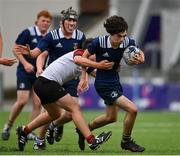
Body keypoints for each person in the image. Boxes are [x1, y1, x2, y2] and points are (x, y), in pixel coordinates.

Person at [15, 39, 113, 151]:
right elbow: (79, 60)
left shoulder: (86, 63)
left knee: (54, 114)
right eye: (97, 52)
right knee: (74, 108)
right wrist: (98, 66)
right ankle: (91, 141)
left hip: (42, 84)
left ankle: (24, 131)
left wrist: (112, 70)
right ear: (88, 51)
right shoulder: (79, 53)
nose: (99, 55)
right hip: (47, 82)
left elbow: (97, 74)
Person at [14, 7, 87, 150]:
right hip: (54, 78)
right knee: (50, 112)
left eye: (74, 21)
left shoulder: (80, 36)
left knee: (71, 112)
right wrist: (36, 62)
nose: (72, 23)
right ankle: (40, 140)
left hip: (72, 79)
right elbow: (39, 54)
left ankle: (54, 126)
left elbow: (84, 59)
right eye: (69, 20)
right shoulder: (51, 36)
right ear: (62, 22)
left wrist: (84, 77)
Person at [76, 15, 145, 152]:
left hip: (115, 81)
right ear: (111, 34)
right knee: (133, 109)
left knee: (111, 117)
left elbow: (138, 52)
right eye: (119, 36)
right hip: (103, 84)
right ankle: (126, 141)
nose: (122, 39)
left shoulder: (127, 42)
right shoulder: (98, 42)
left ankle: (84, 130)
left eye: (124, 35)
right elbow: (81, 58)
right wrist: (86, 75)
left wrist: (141, 57)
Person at [1, 10, 52, 141]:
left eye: (48, 21)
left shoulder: (49, 36)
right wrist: (25, 64)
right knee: (22, 100)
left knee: (37, 103)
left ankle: (28, 130)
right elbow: (15, 49)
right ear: (37, 21)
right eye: (43, 20)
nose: (45, 23)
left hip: (39, 74)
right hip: (24, 72)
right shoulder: (28, 32)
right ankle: (8, 125)